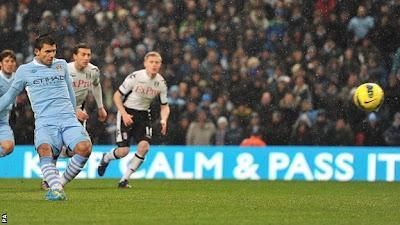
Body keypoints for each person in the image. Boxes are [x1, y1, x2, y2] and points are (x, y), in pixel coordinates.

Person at [0, 34, 92, 201]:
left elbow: (70, 92)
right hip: (45, 122)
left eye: (54, 51)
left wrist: (74, 111)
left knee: (85, 147)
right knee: (44, 150)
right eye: (47, 51)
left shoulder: (61, 65)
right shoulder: (24, 71)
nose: (51, 55)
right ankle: (56, 189)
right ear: (37, 52)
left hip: (68, 119)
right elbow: (9, 96)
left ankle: (59, 184)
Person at [97, 51, 169, 188]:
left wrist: (164, 120)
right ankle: (106, 158)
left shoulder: (161, 83)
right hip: (127, 112)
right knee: (123, 151)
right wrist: (123, 114)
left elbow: (165, 106)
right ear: (145, 63)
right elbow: (117, 96)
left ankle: (124, 179)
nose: (154, 65)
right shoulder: (135, 77)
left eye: (157, 62)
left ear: (160, 65)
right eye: (151, 62)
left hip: (143, 115)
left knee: (144, 147)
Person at [41, 43, 108, 189]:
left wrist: (100, 107)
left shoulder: (93, 70)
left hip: (79, 110)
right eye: (83, 54)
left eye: (88, 55)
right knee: (56, 145)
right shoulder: (64, 70)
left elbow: (96, 85)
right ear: (75, 56)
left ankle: (59, 159)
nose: (86, 58)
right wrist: (73, 109)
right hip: (59, 109)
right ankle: (49, 180)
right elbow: (56, 92)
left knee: (77, 150)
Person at [0, 50, 17, 157]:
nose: (10, 64)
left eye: (12, 61)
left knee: (8, 147)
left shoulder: (18, 78)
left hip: (3, 121)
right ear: (0, 64)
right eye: (6, 61)